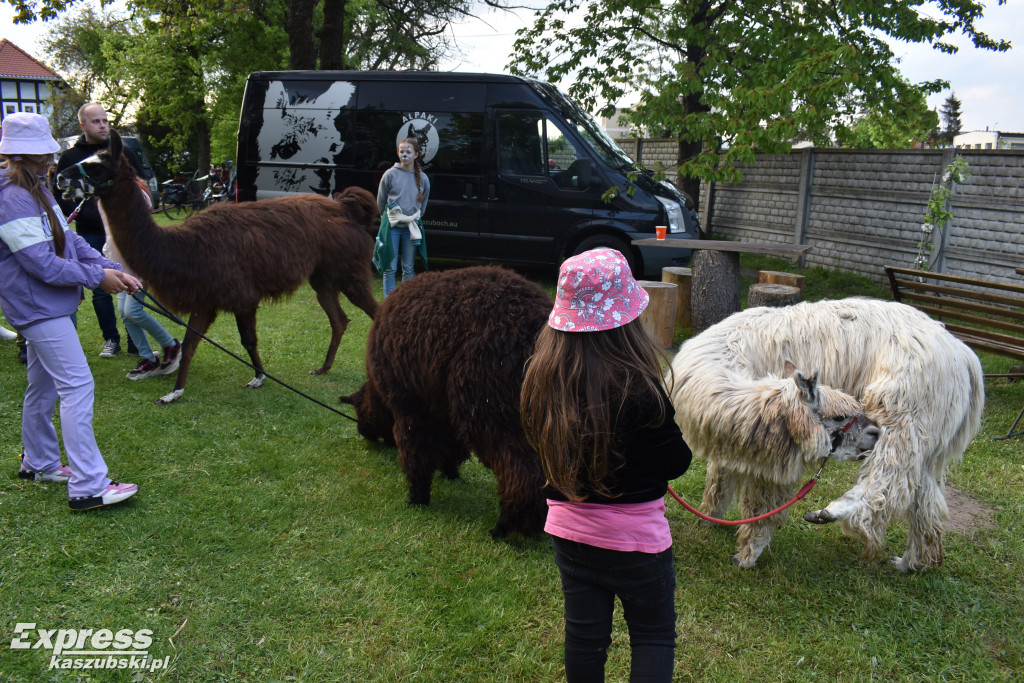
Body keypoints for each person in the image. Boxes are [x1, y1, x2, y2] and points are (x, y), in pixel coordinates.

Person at [520, 248, 692, 682]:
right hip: (637, 544)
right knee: (653, 635)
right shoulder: (641, 388)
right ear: (628, 321)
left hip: (570, 536)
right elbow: (675, 462)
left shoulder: (542, 379)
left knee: (584, 638)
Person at [0, 112, 141, 511]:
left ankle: (39, 462)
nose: (49, 160)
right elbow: (41, 264)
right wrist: (97, 280)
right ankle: (89, 486)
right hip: (36, 308)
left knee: (42, 387)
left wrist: (110, 267)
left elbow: (69, 241)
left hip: (47, 305)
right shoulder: (11, 199)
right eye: (42, 153)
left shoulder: (38, 189)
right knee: (77, 387)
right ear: (22, 155)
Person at [54, 102, 142, 358]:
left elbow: (137, 184)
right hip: (91, 232)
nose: (102, 125)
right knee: (101, 287)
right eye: (96, 121)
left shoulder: (121, 152)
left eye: (105, 120)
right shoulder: (71, 158)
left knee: (130, 282)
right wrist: (97, 215)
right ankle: (111, 340)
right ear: (83, 125)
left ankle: (134, 340)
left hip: (124, 232)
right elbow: (62, 196)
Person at [101, 187, 181, 380]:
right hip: (120, 263)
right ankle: (148, 359)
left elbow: (143, 225)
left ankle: (170, 345)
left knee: (132, 311)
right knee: (125, 314)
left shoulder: (134, 193)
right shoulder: (103, 196)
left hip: (139, 264)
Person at [375, 137, 430, 297]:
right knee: (390, 266)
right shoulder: (390, 174)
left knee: (408, 267)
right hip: (392, 227)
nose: (404, 155)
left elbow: (423, 203)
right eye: (401, 151)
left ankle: (405, 302)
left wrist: (413, 217)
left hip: (410, 228)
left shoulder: (423, 179)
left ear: (416, 154)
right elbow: (381, 199)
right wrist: (388, 218)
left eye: (408, 152)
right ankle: (388, 302)